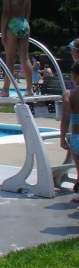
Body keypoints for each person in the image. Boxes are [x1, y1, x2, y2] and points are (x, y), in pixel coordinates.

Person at [0, 0, 33, 97]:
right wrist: (25, 23)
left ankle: (5, 90)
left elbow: (6, 12)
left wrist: (2, 31)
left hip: (12, 24)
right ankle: (29, 89)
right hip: (24, 24)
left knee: (10, 59)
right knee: (25, 57)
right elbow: (28, 11)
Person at [59, 62, 79, 203]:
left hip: (77, 139)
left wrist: (62, 138)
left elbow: (65, 119)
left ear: (74, 75)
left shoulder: (69, 94)